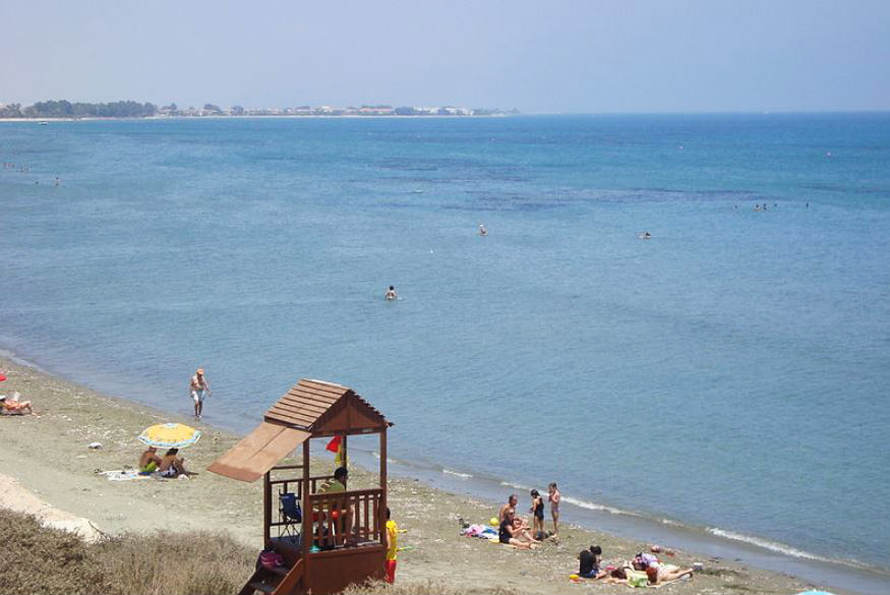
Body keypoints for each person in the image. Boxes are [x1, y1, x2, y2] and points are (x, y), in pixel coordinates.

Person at [384, 507, 398, 584]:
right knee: (391, 581)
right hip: (394, 558)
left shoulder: (386, 526)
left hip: (387, 559)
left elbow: (387, 536)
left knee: (385, 581)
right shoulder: (393, 523)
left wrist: (387, 547)